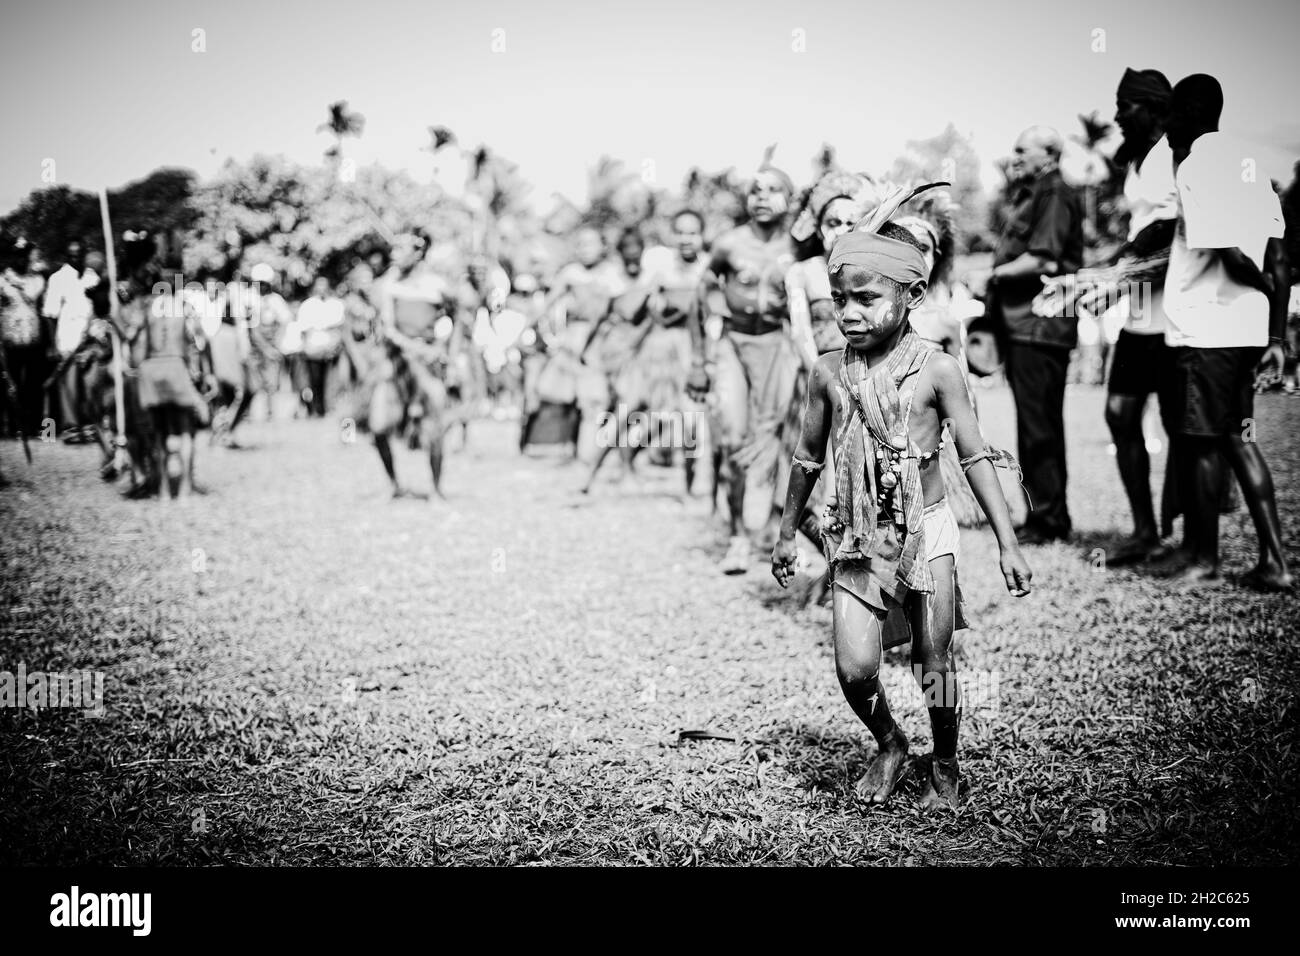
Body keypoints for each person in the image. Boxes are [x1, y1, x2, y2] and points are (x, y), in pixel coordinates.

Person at [771, 206, 1031, 809]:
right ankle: (890, 743)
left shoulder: (938, 369)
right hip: (860, 536)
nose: (849, 313)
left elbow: (973, 457)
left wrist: (1007, 542)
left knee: (932, 657)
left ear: (911, 295)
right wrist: (787, 533)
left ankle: (944, 760)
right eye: (839, 299)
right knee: (854, 667)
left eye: (865, 299)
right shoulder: (829, 370)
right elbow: (808, 457)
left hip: (927, 530)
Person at [1157, 74, 1291, 590]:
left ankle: (1205, 561)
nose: (1167, 128)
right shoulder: (1252, 167)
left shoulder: (1198, 164)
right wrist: (1277, 336)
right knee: (1240, 439)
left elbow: (1227, 251)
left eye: (1172, 114)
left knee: (1205, 443)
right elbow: (1278, 253)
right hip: (1247, 330)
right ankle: (1275, 562)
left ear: (1190, 113)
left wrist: (1253, 279)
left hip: (1207, 329)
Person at [690, 153, 800, 573]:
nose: (763, 197)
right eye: (756, 190)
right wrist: (699, 362)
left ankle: (777, 531)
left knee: (782, 443)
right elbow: (701, 296)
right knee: (734, 438)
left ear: (789, 201)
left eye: (774, 190)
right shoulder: (730, 244)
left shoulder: (799, 246)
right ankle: (737, 536)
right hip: (734, 346)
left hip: (778, 346)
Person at [1096, 68, 1181, 564]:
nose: (1117, 115)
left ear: (1150, 106)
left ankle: (1185, 536)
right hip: (1139, 315)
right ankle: (1146, 530)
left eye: (1125, 105)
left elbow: (1170, 225)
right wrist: (1117, 280)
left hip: (1176, 319)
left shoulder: (1176, 154)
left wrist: (1120, 261)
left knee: (1178, 425)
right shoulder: (1137, 162)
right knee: (1119, 414)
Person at [989, 126, 1084, 544]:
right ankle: (1042, 514)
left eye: (1021, 149)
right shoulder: (1031, 192)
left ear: (1049, 154)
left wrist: (991, 275)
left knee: (1039, 424)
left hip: (1040, 325)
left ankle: (1049, 518)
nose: (1014, 156)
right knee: (1033, 424)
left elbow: (1044, 258)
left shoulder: (1055, 193)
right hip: (1024, 325)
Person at [134, 269, 214, 500]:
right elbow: (198, 342)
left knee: (159, 433)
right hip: (177, 367)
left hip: (152, 369)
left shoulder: (146, 307)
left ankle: (164, 491)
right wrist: (206, 374)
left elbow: (136, 341)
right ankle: (186, 488)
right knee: (186, 431)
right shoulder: (184, 306)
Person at [42, 241, 98, 441]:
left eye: (80, 254)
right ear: (67, 256)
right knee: (70, 386)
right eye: (72, 255)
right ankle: (71, 428)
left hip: (90, 340)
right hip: (68, 340)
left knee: (89, 385)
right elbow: (49, 314)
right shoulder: (58, 279)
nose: (77, 259)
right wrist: (52, 345)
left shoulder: (93, 277)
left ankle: (89, 426)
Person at [0, 248, 48, 439]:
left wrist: (16, 281)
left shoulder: (36, 280)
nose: (21, 260)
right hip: (12, 340)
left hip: (33, 339)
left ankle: (35, 425)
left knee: (34, 385)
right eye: (17, 255)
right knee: (13, 384)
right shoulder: (2, 279)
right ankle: (14, 426)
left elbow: (32, 295)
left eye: (24, 256)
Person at [296, 276, 346, 417]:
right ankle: (317, 409)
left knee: (330, 381)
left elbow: (339, 328)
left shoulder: (335, 304)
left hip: (332, 349)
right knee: (315, 380)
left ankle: (328, 407)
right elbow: (303, 329)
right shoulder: (308, 305)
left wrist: (335, 345)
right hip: (313, 349)